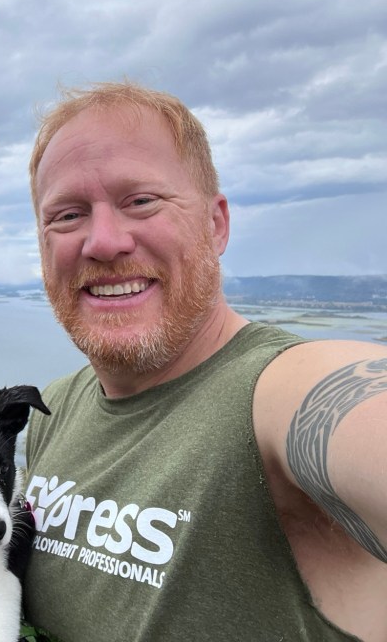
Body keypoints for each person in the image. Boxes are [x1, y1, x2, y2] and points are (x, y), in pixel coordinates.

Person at [20, 81, 387, 641]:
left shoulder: (276, 392)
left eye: (141, 201)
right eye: (67, 215)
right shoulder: (55, 408)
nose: (104, 241)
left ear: (216, 224)